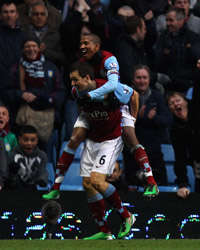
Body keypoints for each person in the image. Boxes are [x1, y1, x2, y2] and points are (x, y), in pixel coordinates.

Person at [43, 33, 159, 200]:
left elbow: (133, 95)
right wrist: (85, 109)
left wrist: (132, 119)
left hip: (116, 108)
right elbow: (77, 96)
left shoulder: (110, 67)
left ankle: (151, 182)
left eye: (87, 43)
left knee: (130, 137)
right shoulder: (79, 80)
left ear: (97, 46)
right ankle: (55, 187)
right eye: (81, 43)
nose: (82, 47)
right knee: (73, 140)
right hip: (93, 110)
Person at [49, 61, 135, 240]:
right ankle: (105, 232)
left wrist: (131, 122)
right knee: (88, 183)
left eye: (75, 80)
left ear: (87, 78)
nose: (72, 85)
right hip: (95, 139)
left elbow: (134, 96)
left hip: (111, 139)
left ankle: (127, 216)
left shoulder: (111, 88)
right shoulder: (76, 93)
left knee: (96, 180)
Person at [123, 64, 172, 186]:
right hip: (132, 152)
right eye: (138, 77)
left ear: (149, 79)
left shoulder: (157, 96)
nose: (142, 81)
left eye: (144, 77)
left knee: (160, 189)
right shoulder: (125, 97)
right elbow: (121, 123)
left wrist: (153, 117)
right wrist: (137, 117)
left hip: (154, 152)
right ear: (133, 80)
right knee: (132, 192)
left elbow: (167, 120)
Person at [15, 36, 65, 151]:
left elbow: (61, 91)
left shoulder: (51, 67)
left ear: (39, 48)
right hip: (25, 119)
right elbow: (7, 91)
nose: (31, 49)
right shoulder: (16, 68)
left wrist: (47, 98)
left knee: (45, 154)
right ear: (23, 49)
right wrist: (21, 94)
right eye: (27, 46)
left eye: (34, 46)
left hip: (47, 117)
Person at [154, 7, 200, 93]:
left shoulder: (193, 38)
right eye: (166, 20)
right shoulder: (163, 38)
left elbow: (196, 60)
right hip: (168, 85)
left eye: (171, 20)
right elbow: (157, 60)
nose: (167, 23)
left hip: (188, 85)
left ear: (181, 21)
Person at [166, 91, 200, 198]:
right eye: (171, 103)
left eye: (178, 100)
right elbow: (180, 157)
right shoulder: (175, 129)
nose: (175, 104)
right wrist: (183, 184)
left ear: (186, 102)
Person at [8, 125, 48, 189]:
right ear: (19, 139)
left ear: (37, 140)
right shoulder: (12, 155)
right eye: (25, 140)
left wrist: (42, 180)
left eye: (32, 140)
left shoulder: (42, 155)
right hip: (15, 190)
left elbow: (42, 171)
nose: (29, 143)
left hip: (33, 189)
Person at [0, 104, 18, 191]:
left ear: (7, 119)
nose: (0, 116)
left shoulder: (12, 137)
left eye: (4, 114)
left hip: (7, 174)